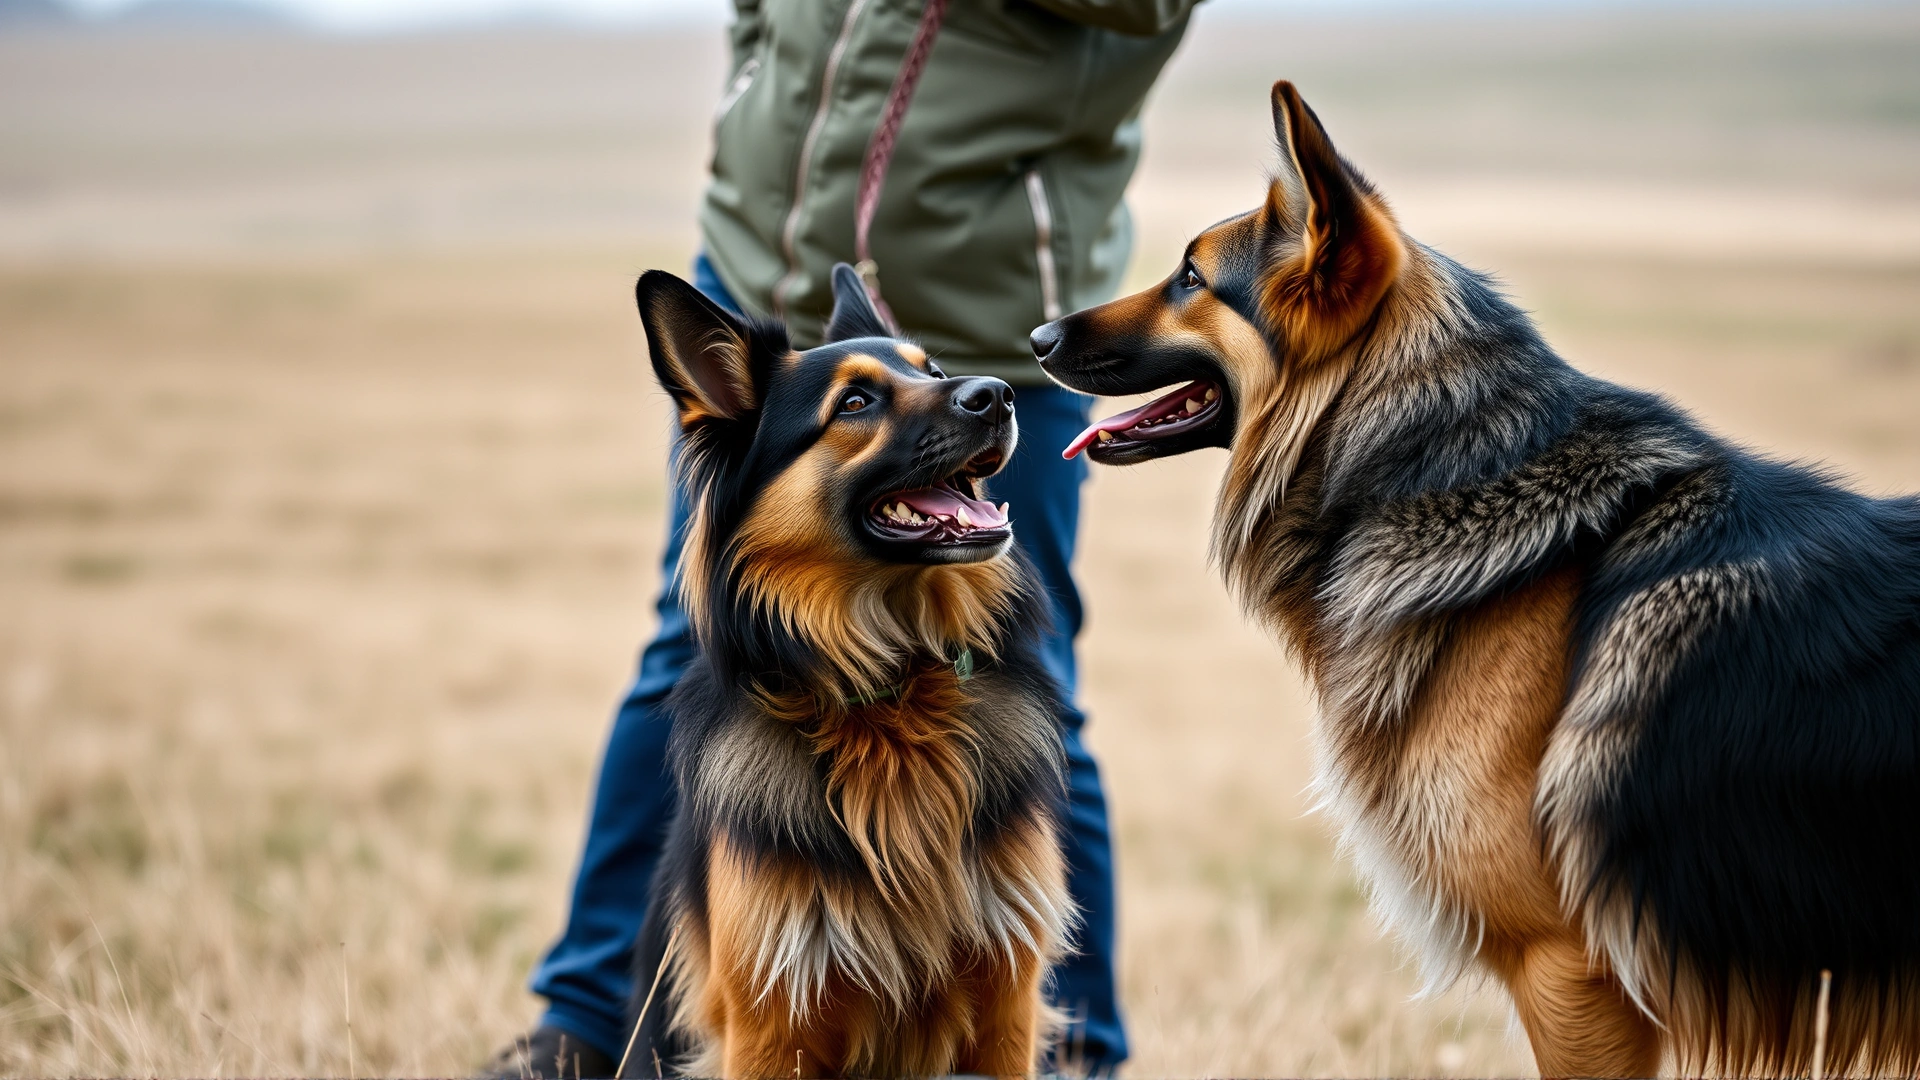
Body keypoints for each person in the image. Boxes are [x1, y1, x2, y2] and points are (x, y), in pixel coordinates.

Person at [483, 2, 1198, 1076]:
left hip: (991, 289)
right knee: (695, 648)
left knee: (1024, 669)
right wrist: (752, 107)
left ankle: (1077, 1058)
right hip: (755, 263)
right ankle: (591, 1026)